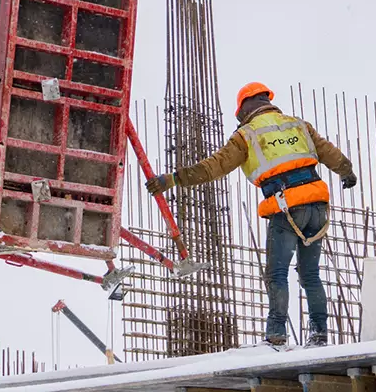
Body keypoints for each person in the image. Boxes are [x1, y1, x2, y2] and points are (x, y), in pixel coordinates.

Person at [147, 81, 357, 348]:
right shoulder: (298, 125)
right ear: (267, 101)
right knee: (310, 275)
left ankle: (276, 334)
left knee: (277, 273)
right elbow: (329, 152)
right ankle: (318, 334)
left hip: (286, 206)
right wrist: (347, 172)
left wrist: (173, 179)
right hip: (317, 205)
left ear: (243, 110)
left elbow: (214, 167)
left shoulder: (247, 135)